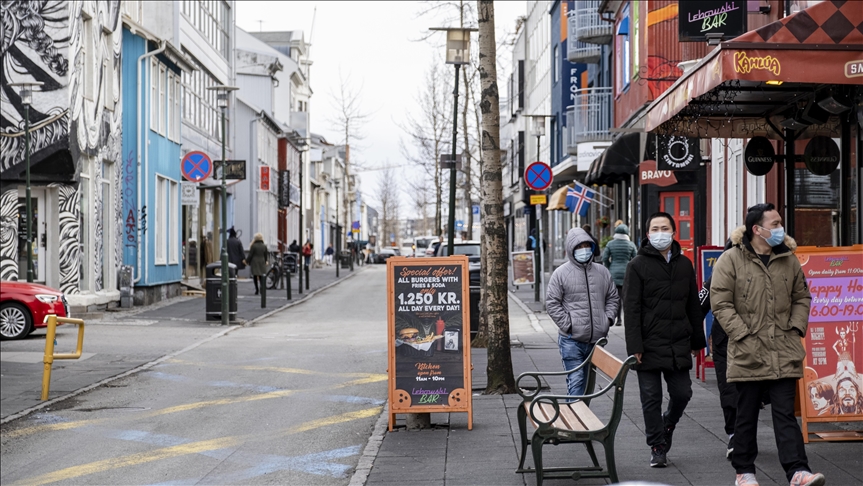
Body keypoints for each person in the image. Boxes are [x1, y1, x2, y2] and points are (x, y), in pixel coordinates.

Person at [710, 203, 824, 486]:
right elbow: (720, 303)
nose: (780, 229)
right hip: (748, 351)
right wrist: (743, 335)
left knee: (785, 413)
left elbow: (802, 297)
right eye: (775, 224)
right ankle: (744, 472)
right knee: (745, 414)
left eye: (780, 223)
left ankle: (798, 471)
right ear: (757, 229)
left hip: (784, 350)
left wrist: (796, 327)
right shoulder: (730, 260)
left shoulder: (789, 259)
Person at [623, 211, 705, 468]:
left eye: (664, 228)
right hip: (647, 345)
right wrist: (634, 346)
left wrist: (697, 341)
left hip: (677, 342)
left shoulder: (684, 264)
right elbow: (631, 308)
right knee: (651, 398)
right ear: (648, 235)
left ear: (673, 232)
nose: (660, 233)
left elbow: (693, 304)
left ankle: (668, 422)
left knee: (683, 393)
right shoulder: (636, 265)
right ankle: (657, 446)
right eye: (655, 228)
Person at [546, 227, 619, 397]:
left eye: (586, 245)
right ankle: (575, 422)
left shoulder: (602, 272)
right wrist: (569, 325)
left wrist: (607, 320)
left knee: (587, 387)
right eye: (579, 246)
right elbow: (552, 303)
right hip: (571, 340)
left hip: (596, 341)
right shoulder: (561, 274)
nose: (583, 250)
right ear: (571, 249)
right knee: (577, 381)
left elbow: (613, 297)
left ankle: (580, 418)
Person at [602, 223, 637, 325]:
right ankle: (627, 318)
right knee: (626, 298)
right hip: (627, 273)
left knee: (616, 298)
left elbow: (605, 258)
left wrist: (610, 267)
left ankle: (618, 319)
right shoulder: (631, 245)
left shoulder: (610, 244)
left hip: (614, 273)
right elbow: (635, 259)